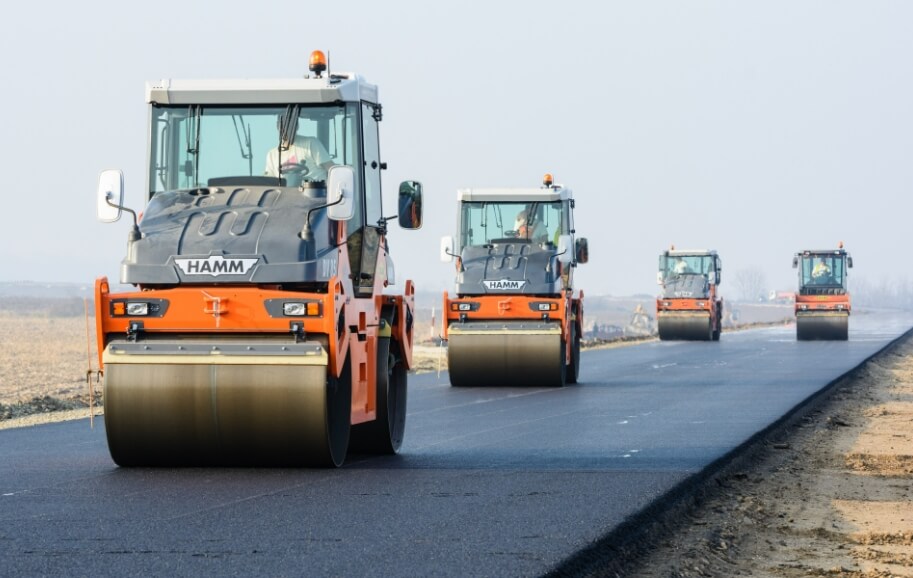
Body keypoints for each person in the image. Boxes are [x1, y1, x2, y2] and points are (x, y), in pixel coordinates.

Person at [264, 131, 334, 182]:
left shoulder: (311, 143)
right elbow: (268, 181)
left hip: (316, 195)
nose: (285, 127)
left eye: (289, 123)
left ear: (296, 125)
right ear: (278, 126)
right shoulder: (272, 154)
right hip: (285, 196)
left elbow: (332, 169)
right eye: (282, 124)